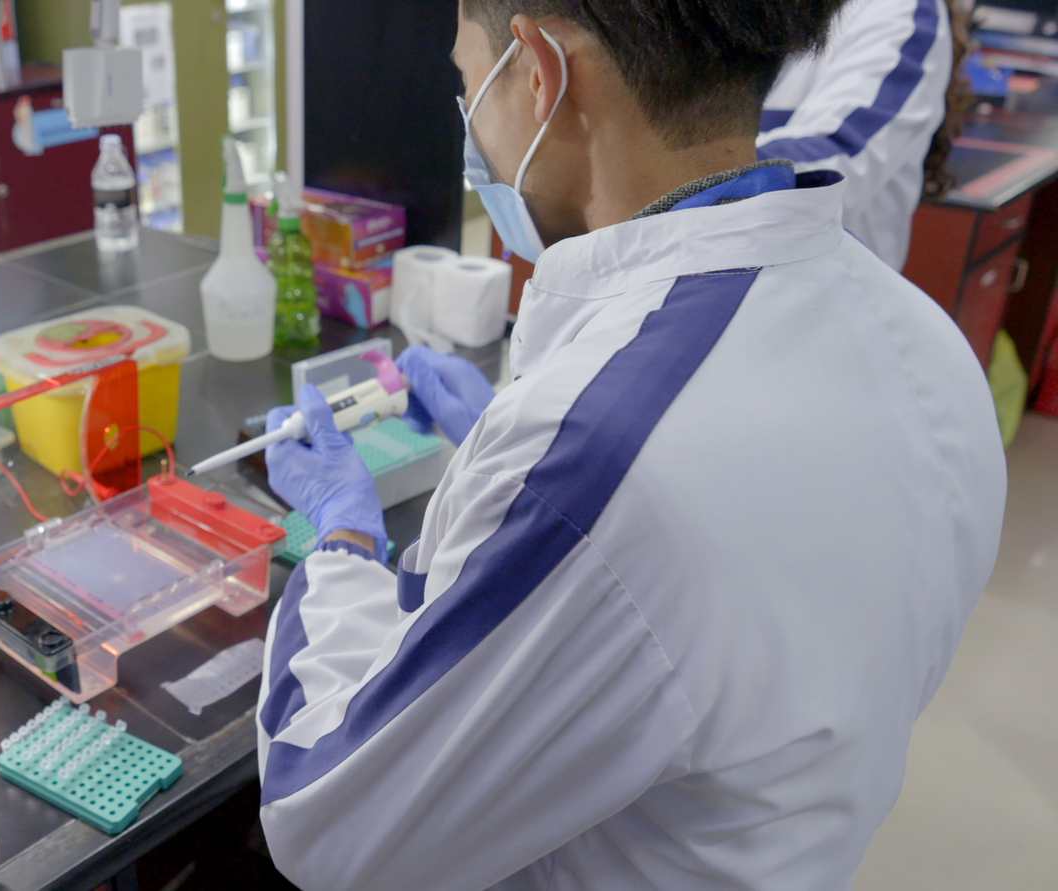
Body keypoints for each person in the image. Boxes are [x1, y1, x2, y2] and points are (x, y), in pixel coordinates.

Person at [255, 1, 1007, 889]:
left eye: (467, 80)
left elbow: (329, 817)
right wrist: (500, 445)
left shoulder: (596, 469)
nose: (470, 129)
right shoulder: (927, 345)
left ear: (539, 72)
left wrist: (342, 540)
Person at [757, 0, 959, 270]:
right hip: (707, 276)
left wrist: (693, 164)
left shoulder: (899, 8)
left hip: (822, 292)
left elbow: (836, 165)